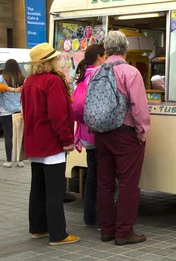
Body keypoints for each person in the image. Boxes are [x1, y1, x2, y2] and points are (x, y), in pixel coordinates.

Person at [93, 30, 150, 245]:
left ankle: (106, 229)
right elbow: (139, 108)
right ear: (126, 49)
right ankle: (124, 231)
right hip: (125, 133)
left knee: (105, 183)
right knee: (128, 184)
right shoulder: (131, 72)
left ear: (106, 50)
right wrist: (142, 132)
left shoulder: (96, 72)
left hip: (101, 134)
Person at [21, 43, 79, 246]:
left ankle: (38, 228)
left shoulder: (29, 81)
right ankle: (58, 233)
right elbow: (57, 114)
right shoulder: (52, 81)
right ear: (49, 61)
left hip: (35, 141)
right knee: (54, 190)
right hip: (51, 142)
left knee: (37, 187)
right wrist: (66, 140)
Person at [71, 44, 106, 228]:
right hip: (98, 131)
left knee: (92, 175)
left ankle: (89, 216)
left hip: (84, 132)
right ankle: (102, 218)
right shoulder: (100, 74)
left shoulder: (83, 74)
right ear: (100, 57)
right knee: (103, 176)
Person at [0, 59, 26, 168]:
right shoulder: (22, 78)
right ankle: (19, 160)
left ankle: (8, 160)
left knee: (8, 135)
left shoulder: (1, 78)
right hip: (19, 110)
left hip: (5, 111)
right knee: (20, 135)